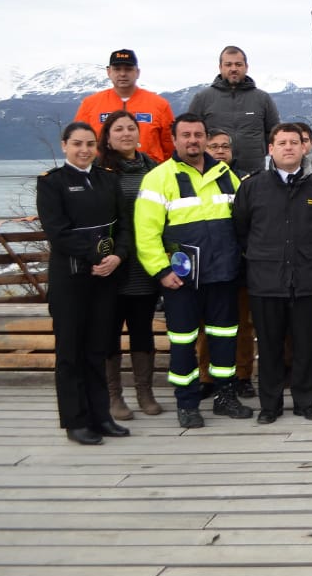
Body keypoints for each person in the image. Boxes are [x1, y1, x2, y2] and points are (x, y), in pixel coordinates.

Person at [135, 113, 250, 428]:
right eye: (185, 135)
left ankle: (225, 396)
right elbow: (145, 232)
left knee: (225, 338)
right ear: (174, 140)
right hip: (180, 280)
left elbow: (244, 221)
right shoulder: (158, 178)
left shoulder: (227, 174)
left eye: (198, 135)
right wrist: (161, 271)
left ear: (206, 138)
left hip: (224, 275)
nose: (192, 141)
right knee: (184, 341)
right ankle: (187, 403)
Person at [37, 121, 132, 445]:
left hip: (105, 278)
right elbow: (57, 232)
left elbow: (124, 226)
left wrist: (117, 256)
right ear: (64, 145)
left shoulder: (107, 179)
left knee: (98, 350)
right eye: (77, 143)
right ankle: (76, 421)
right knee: (70, 354)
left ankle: (101, 416)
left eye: (90, 144)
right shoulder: (52, 184)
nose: (84, 150)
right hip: (71, 280)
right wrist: (96, 257)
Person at [234, 124, 312, 423]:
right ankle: (270, 405)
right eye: (282, 142)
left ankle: (306, 401)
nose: (289, 147)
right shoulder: (252, 186)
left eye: (294, 142)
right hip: (266, 280)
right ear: (271, 149)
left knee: (306, 344)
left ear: (304, 148)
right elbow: (241, 230)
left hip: (306, 278)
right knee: (269, 346)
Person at [96, 110, 162, 419]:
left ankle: (144, 392)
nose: (126, 133)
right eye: (118, 129)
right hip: (111, 264)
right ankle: (113, 396)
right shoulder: (99, 170)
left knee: (141, 329)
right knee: (109, 330)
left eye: (131, 128)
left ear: (139, 133)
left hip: (144, 262)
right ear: (107, 136)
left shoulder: (154, 169)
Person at [195, 128, 256, 400]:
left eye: (224, 147)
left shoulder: (245, 180)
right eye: (213, 147)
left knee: (243, 325)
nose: (220, 151)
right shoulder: (196, 180)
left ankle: (243, 376)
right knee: (207, 325)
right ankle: (206, 377)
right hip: (207, 266)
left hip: (240, 264)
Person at [187, 45, 281, 176]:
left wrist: (258, 151)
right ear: (220, 67)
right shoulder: (202, 98)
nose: (233, 69)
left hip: (253, 171)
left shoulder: (262, 98)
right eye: (228, 64)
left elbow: (274, 134)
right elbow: (192, 133)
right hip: (211, 172)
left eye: (238, 64)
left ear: (246, 67)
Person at [74, 49, 175, 163]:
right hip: (103, 173)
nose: (122, 74)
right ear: (109, 72)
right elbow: (79, 141)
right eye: (117, 69)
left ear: (137, 72)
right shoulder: (90, 104)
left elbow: (170, 146)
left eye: (128, 69)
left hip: (149, 174)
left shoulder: (159, 105)